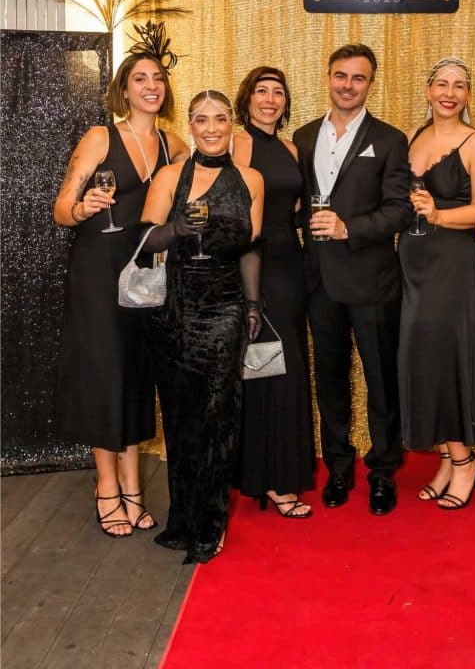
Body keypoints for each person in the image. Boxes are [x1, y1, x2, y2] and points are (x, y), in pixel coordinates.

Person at [54, 28, 188, 537]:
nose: (151, 86)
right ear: (124, 89)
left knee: (136, 374)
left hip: (146, 273)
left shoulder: (173, 145)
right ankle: (107, 486)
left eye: (157, 79)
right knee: (105, 374)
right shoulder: (100, 137)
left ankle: (133, 487)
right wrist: (83, 207)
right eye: (140, 79)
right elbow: (60, 209)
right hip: (97, 270)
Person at [140, 89, 264, 562]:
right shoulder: (171, 176)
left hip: (226, 307)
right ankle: (184, 521)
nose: (211, 128)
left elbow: (251, 246)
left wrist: (252, 305)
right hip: (174, 309)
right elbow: (144, 239)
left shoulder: (250, 179)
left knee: (217, 414)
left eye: (219, 119)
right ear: (190, 126)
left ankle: (211, 524)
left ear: (231, 123)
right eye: (201, 120)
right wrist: (177, 230)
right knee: (180, 416)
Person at [293, 44, 412, 515]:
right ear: (328, 78)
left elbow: (400, 209)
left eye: (358, 78)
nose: (348, 85)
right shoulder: (302, 136)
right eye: (341, 76)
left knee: (382, 380)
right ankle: (338, 467)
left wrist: (350, 228)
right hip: (318, 280)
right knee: (330, 379)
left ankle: (383, 471)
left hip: (372, 281)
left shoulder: (389, 139)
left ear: (370, 84)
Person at [398, 57, 475, 510]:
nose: (449, 93)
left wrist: (438, 215)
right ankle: (445, 459)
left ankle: (464, 462)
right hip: (412, 260)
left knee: (446, 357)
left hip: (452, 261)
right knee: (421, 357)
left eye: (459, 85)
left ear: (468, 94)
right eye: (441, 84)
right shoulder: (412, 137)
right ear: (428, 89)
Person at [232, 66, 315, 518]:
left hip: (289, 264)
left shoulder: (290, 148)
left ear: (285, 102)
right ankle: (263, 476)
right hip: (252, 263)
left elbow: (297, 207)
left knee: (286, 363)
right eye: (261, 91)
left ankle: (277, 473)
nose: (269, 99)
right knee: (259, 365)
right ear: (247, 99)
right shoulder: (238, 142)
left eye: (277, 92)